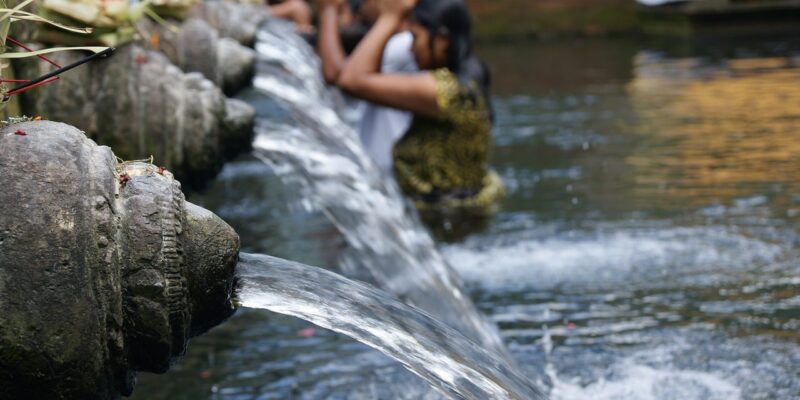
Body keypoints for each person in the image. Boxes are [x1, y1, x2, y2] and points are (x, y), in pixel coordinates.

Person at [336, 0, 503, 208]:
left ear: (442, 39)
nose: (411, 48)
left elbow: (351, 80)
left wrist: (389, 18)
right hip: (452, 213)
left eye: (415, 38)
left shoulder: (444, 92)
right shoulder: (467, 76)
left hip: (446, 218)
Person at [316, 0, 418, 172]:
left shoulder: (404, 45)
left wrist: (328, 9)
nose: (362, 5)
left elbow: (338, 75)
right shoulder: (395, 40)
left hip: (388, 171)